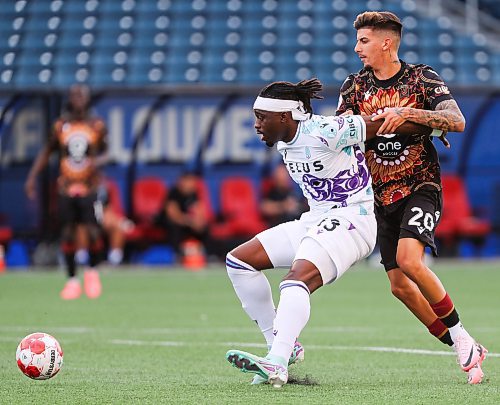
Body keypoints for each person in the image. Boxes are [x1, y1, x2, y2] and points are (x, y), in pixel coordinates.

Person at [224, 78, 440, 387]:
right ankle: (281, 344)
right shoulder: (286, 138)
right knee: (239, 262)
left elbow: (382, 122)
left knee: (296, 280)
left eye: (262, 117)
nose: (257, 125)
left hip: (355, 219)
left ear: (285, 117)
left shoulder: (327, 131)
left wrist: (435, 128)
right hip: (317, 220)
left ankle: (276, 362)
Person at [336, 11, 486, 384]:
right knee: (399, 286)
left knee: (409, 260)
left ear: (387, 42)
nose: (357, 48)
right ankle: (459, 342)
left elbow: (457, 120)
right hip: (377, 196)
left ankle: (462, 335)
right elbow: (340, 134)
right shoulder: (354, 88)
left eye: (364, 41)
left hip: (421, 186)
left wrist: (408, 113)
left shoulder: (422, 78)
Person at [25, 84, 107, 300]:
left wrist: (96, 161)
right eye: (74, 95)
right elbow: (47, 151)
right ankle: (72, 280)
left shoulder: (96, 125)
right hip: (67, 187)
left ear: (88, 99)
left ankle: (92, 272)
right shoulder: (61, 126)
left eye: (82, 94)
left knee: (93, 231)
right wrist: (32, 177)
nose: (78, 98)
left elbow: (107, 152)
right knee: (68, 232)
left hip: (90, 187)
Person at [156, 172, 208, 263]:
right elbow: (174, 215)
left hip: (187, 222)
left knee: (205, 228)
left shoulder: (193, 194)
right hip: (168, 223)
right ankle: (177, 255)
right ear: (182, 181)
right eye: (190, 181)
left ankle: (207, 254)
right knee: (174, 227)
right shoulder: (173, 193)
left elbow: (199, 210)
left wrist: (198, 222)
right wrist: (189, 222)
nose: (192, 184)